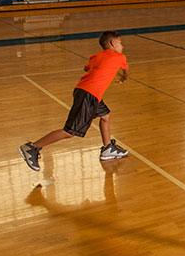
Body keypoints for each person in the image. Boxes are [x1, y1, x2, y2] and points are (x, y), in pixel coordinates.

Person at [19, 30, 130, 172]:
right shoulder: (120, 57)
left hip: (85, 91)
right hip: (89, 95)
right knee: (70, 132)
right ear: (112, 43)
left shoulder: (96, 56)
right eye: (120, 43)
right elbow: (127, 72)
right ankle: (32, 148)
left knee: (105, 116)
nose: (122, 46)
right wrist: (124, 78)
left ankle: (107, 148)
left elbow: (87, 68)